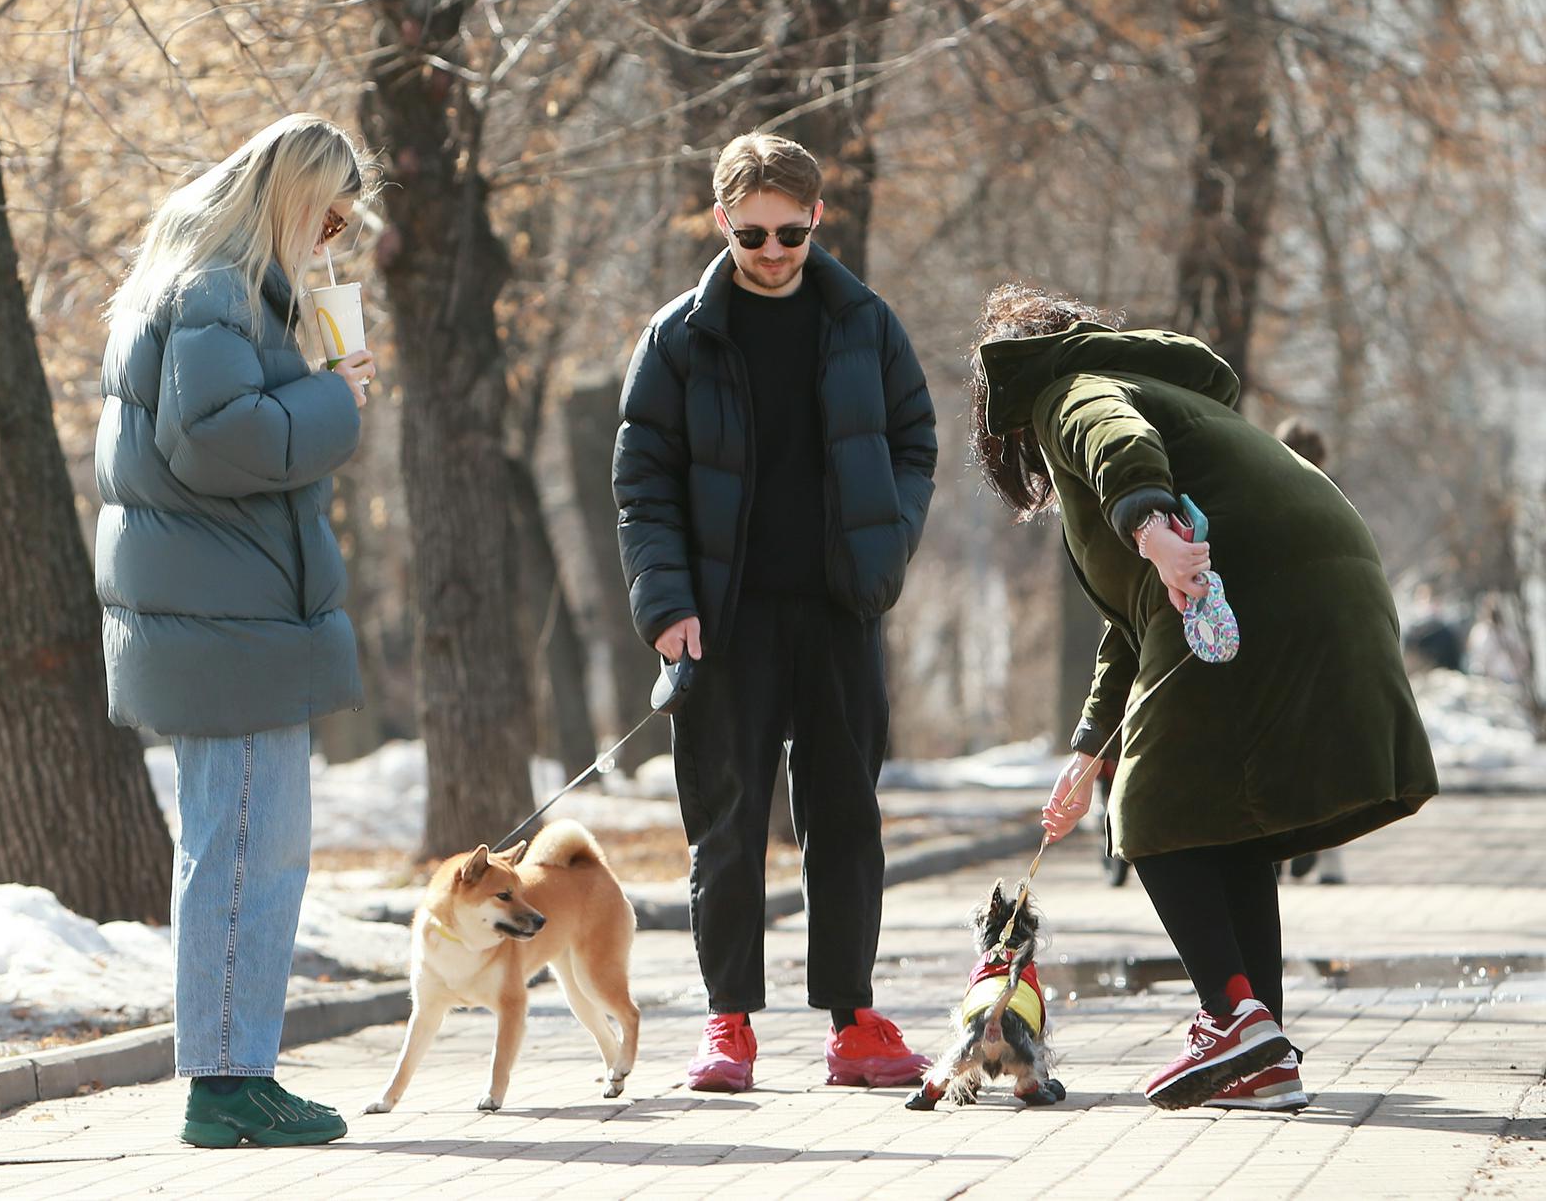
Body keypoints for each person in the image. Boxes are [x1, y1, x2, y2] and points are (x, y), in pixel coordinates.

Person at [970, 283, 1435, 1110]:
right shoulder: (1176, 396)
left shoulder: (1068, 389)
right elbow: (1136, 624)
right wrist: (1086, 752)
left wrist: (1148, 523)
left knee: (1150, 812)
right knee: (1227, 821)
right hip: (1331, 570)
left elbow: (1112, 437)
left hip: (1252, 578)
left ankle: (1228, 1017)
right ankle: (1262, 1048)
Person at [612, 133, 939, 1092]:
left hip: (840, 609)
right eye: (752, 233)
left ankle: (854, 1024)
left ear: (816, 218)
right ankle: (727, 1026)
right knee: (726, 820)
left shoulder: (864, 322)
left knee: (847, 816)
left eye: (790, 231)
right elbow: (643, 486)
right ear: (723, 221)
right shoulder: (678, 336)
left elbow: (916, 439)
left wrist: (887, 547)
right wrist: (666, 604)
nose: (772, 251)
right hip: (723, 618)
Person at [95, 114, 378, 1147]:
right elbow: (214, 440)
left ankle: (234, 1069)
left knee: (246, 842)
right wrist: (332, 398)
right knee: (249, 847)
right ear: (292, 197)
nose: (333, 244)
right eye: (331, 218)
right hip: (227, 619)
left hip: (220, 612)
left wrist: (311, 388)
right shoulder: (215, 289)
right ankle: (226, 1083)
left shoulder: (202, 283)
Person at [1273, 417, 1346, 885]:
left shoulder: (1264, 495)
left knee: (1277, 749)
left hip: (1278, 642)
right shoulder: (1332, 503)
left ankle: (1280, 847)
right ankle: (1321, 846)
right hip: (1321, 641)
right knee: (1322, 752)